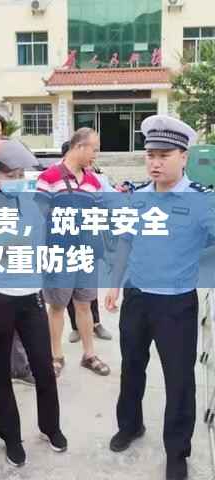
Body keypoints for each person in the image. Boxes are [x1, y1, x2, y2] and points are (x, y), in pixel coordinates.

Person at [105, 115, 215, 480]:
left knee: (179, 380)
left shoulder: (202, 201)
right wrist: (114, 284)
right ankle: (130, 425)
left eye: (164, 155)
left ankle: (177, 452)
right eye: (150, 155)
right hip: (137, 299)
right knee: (131, 367)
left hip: (176, 304)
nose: (155, 162)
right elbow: (125, 241)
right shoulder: (137, 196)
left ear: (184, 157)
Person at [0, 139, 67, 467]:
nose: (17, 180)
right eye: (10, 174)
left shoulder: (30, 204)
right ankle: (11, 438)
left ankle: (51, 427)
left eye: (20, 174)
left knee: (44, 365)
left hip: (30, 297)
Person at [36, 128, 110, 378]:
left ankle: (89, 355)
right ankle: (56, 356)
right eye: (94, 149)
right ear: (79, 146)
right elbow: (39, 218)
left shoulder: (93, 181)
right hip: (59, 255)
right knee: (57, 306)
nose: (95, 155)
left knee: (85, 305)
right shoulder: (49, 177)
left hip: (86, 255)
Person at [57, 140, 113, 343]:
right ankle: (76, 327)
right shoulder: (55, 179)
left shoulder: (94, 178)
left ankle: (95, 324)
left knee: (88, 291)